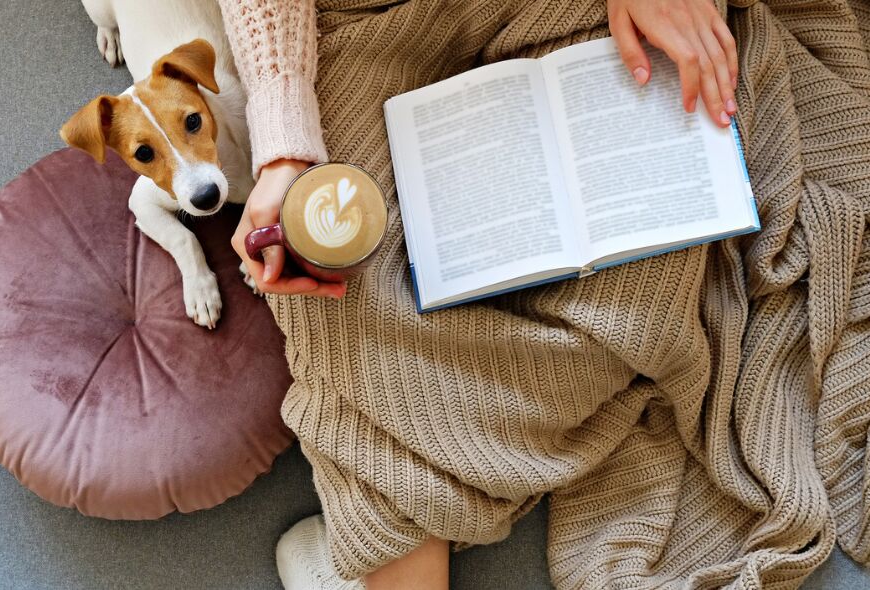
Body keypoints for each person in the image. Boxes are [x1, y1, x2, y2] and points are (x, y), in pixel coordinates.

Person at [217, 0, 739, 587]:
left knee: (642, 280)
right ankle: (395, 529)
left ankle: (382, 534)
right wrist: (284, 142)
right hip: (368, 31)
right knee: (335, 277)